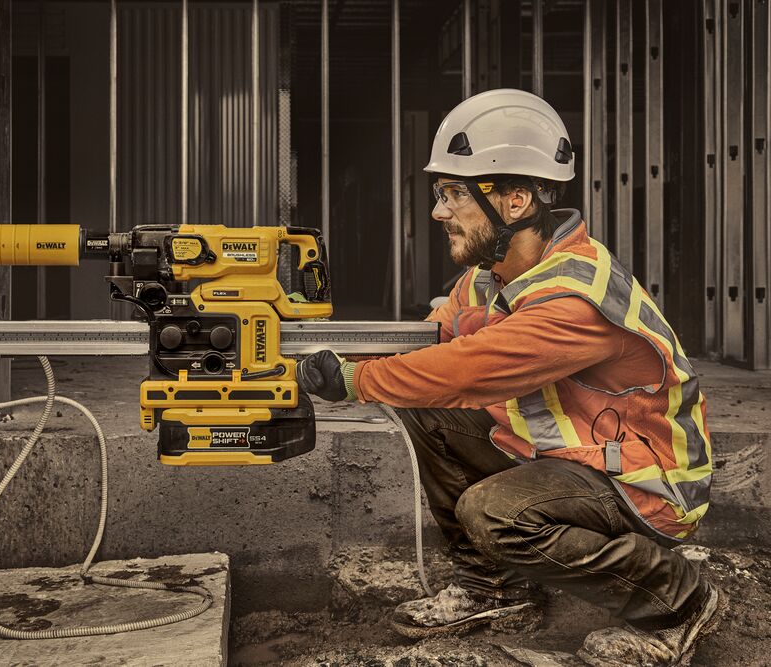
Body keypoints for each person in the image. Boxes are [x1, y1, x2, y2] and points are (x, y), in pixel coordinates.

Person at [296, 89, 723, 667]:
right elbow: (433, 346)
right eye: (439, 194)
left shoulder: (574, 294)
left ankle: (679, 600)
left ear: (515, 200)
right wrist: (306, 344)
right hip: (576, 454)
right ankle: (494, 590)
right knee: (427, 407)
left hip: (647, 479)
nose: (438, 211)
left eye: (452, 195)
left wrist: (352, 379)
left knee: (494, 512)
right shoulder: (486, 275)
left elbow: (469, 369)